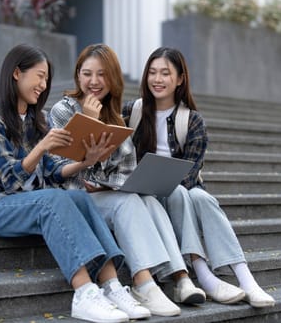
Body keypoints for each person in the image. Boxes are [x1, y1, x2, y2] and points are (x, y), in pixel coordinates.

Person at [0, 43, 145, 323]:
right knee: (54, 198)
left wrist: (86, 162)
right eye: (39, 76)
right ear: (17, 73)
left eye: (47, 79)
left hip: (25, 203)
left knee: (78, 197)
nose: (43, 84)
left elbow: (53, 171)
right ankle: (85, 293)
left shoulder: (36, 121)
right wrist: (40, 148)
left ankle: (112, 286)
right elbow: (7, 179)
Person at [48, 43, 206, 317]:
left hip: (103, 194)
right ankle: (143, 283)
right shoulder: (63, 110)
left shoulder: (118, 119)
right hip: (75, 199)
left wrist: (106, 180)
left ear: (113, 78)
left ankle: (179, 277)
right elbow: (59, 166)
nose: (94, 82)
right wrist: (88, 122)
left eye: (102, 75)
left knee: (148, 201)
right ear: (77, 75)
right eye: (87, 74)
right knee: (128, 202)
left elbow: (126, 169)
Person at [122, 47, 276, 308]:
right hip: (143, 196)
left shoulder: (192, 121)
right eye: (152, 72)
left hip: (180, 192)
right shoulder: (131, 112)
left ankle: (245, 278)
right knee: (183, 193)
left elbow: (189, 175)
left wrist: (167, 184)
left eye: (165, 73)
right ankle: (203, 274)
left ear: (180, 79)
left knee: (200, 197)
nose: (157, 79)